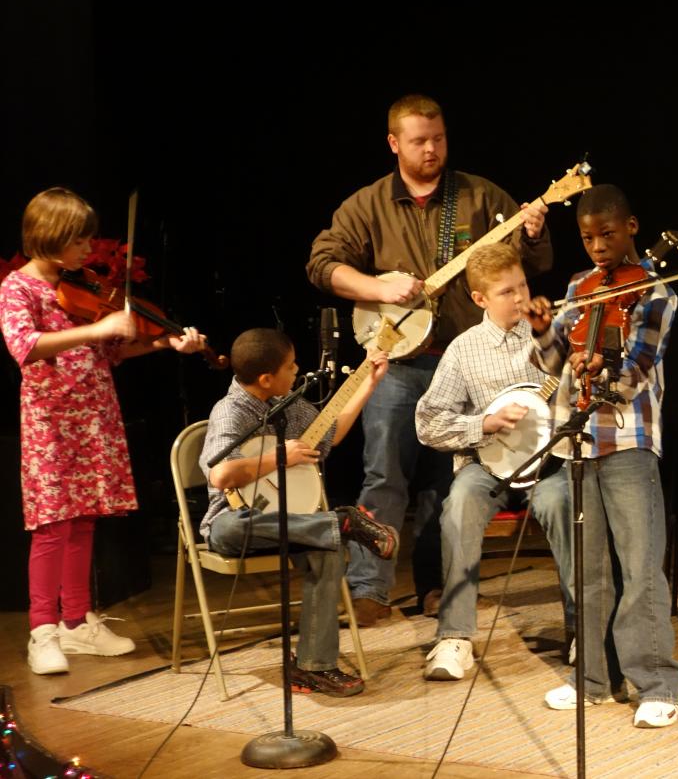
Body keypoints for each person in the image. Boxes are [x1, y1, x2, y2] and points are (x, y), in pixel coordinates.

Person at [307, 93, 554, 625]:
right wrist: (376, 285)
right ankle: (369, 588)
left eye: (439, 138)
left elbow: (528, 264)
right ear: (395, 142)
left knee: (448, 483)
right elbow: (322, 265)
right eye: (419, 140)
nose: (432, 149)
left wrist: (532, 231)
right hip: (393, 364)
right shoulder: (367, 205)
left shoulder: (480, 197)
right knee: (384, 474)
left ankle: (438, 589)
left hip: (464, 366)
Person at [1, 187, 209, 675]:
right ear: (51, 237)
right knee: (52, 524)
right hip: (52, 420)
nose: (88, 251)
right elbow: (25, 346)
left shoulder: (84, 286)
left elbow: (109, 351)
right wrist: (98, 330)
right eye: (79, 242)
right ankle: (42, 630)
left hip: (94, 414)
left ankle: (76, 622)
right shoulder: (18, 288)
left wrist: (161, 343)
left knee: (85, 518)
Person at [527, 184, 678, 728]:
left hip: (628, 440)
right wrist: (546, 328)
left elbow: (635, 374)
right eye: (588, 237)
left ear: (632, 227)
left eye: (608, 234)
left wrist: (604, 369)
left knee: (641, 568)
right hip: (578, 442)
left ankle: (660, 683)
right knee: (589, 568)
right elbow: (553, 364)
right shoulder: (579, 286)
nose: (598, 247)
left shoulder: (657, 293)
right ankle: (592, 677)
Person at [199, 328, 399, 696]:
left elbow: (330, 432)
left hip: (293, 523)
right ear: (266, 378)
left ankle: (313, 667)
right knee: (228, 529)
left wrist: (368, 384)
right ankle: (338, 522)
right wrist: (280, 457)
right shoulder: (231, 410)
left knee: (329, 551)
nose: (297, 371)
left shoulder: (287, 403)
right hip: (238, 522)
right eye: (290, 367)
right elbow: (221, 473)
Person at [413, 244, 572, 681]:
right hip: (487, 465)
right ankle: (455, 639)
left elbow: (580, 389)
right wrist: (484, 424)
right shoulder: (464, 350)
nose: (520, 299)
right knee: (459, 504)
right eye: (506, 292)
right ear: (480, 298)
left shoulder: (549, 331)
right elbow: (427, 423)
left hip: (550, 461)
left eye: (522, 286)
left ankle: (581, 630)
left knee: (564, 504)